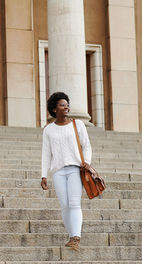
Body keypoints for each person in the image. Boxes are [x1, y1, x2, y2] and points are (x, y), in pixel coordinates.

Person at [40, 92, 92, 252]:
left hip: (75, 169)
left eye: (67, 104)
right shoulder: (48, 130)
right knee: (64, 205)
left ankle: (76, 237)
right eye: (62, 105)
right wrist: (44, 174)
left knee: (74, 203)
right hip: (58, 172)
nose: (66, 107)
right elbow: (46, 154)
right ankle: (71, 236)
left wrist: (87, 162)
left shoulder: (78, 125)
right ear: (54, 109)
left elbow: (87, 146)